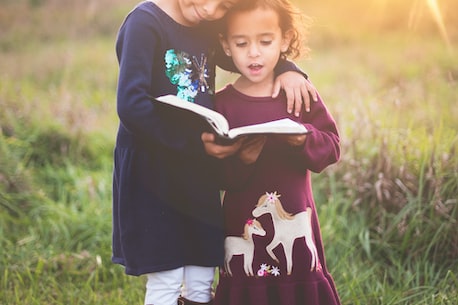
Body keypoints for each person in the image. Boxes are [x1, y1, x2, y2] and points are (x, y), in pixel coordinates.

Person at [112, 0, 318, 305]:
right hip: (153, 173)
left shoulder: (206, 26)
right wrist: (196, 142)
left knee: (202, 274)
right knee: (167, 275)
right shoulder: (145, 23)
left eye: (224, 7)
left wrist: (289, 69)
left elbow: (250, 58)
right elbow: (131, 104)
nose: (210, 11)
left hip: (198, 172)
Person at [210, 0, 342, 304]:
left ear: (284, 39)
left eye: (265, 41)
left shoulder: (297, 93)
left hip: (295, 213)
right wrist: (242, 160)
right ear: (226, 45)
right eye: (241, 43)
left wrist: (303, 139)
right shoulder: (222, 105)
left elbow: (332, 146)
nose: (254, 52)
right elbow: (215, 174)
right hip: (242, 220)